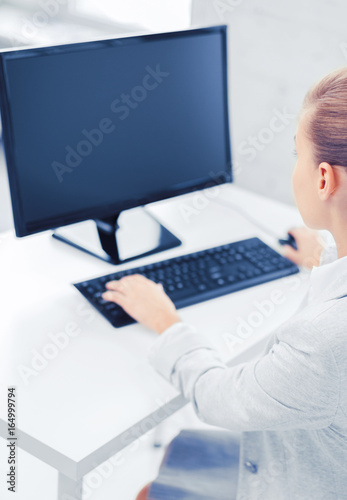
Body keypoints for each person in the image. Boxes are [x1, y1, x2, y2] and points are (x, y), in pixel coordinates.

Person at [102, 68, 347, 500]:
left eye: (297, 155)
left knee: (147, 492)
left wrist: (167, 323)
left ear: (324, 178)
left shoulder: (325, 340)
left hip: (303, 482)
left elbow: (216, 397)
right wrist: (323, 256)